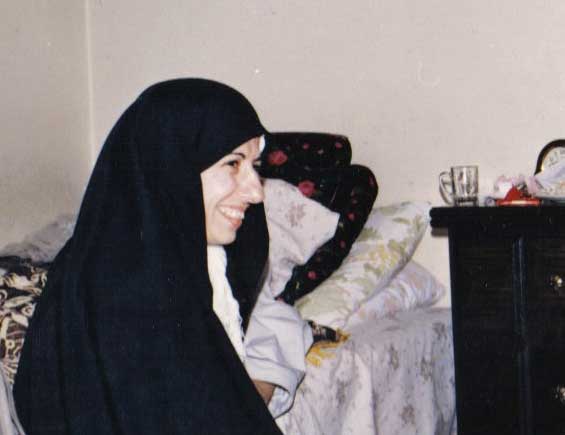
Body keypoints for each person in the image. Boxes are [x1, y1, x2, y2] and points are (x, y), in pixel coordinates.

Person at [13, 79, 310, 434]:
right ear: (170, 167)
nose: (256, 192)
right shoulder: (123, 294)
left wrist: (262, 382)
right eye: (233, 164)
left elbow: (258, 318)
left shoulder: (197, 254)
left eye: (254, 165)